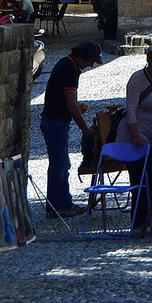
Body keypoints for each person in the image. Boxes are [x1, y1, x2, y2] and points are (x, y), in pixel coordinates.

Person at [39, 39, 100, 217]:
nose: (90, 65)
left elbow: (68, 101)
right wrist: (85, 129)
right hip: (55, 121)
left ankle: (65, 203)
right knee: (59, 166)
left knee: (63, 164)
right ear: (83, 57)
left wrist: (75, 107)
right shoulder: (69, 69)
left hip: (56, 119)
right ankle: (55, 208)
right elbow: (71, 104)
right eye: (91, 61)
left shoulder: (68, 64)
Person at [117, 43, 152, 235]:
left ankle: (150, 220)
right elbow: (130, 108)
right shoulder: (137, 79)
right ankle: (138, 223)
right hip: (135, 135)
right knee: (139, 179)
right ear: (148, 60)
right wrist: (135, 135)